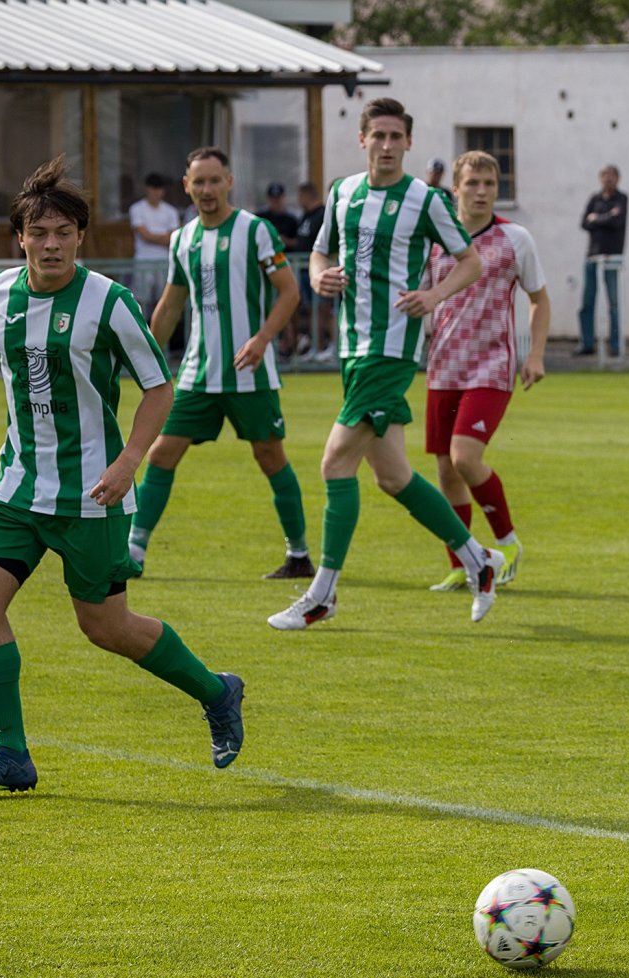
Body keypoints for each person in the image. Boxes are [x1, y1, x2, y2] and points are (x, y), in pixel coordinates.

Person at [0, 157, 245, 797]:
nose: (51, 244)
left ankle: (216, 691)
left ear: (80, 237)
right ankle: (11, 755)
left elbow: (159, 386)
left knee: (105, 628)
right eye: (39, 233)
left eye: (64, 233)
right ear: (20, 237)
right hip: (17, 488)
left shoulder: (110, 302)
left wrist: (129, 462)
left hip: (93, 493)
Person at [268, 97, 500, 631]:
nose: (388, 145)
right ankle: (478, 560)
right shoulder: (343, 192)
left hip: (391, 347)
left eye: (397, 137)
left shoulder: (424, 199)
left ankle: (323, 594)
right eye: (379, 135)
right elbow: (321, 252)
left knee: (334, 464)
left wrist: (433, 294)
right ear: (363, 139)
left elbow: (471, 261)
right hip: (353, 348)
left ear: (409, 143)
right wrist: (319, 275)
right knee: (393, 477)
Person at [127, 146, 309, 581]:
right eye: (199, 182)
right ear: (186, 186)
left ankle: (299, 555)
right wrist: (146, 358)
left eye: (214, 180)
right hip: (198, 373)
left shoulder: (255, 230)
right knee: (162, 454)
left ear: (230, 182)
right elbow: (171, 304)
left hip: (249, 372)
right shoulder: (182, 238)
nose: (207, 190)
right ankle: (133, 553)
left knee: (270, 456)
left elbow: (289, 292)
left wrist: (262, 339)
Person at [424, 150, 549, 592]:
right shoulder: (435, 238)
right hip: (442, 367)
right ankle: (463, 563)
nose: (481, 192)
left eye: (489, 184)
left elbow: (539, 299)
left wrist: (535, 355)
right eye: (472, 184)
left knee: (464, 457)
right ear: (455, 188)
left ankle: (507, 544)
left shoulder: (515, 238)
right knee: (446, 470)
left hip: (491, 367)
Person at [577, 164, 626, 357]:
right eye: (605, 175)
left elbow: (617, 222)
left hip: (612, 257)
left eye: (612, 175)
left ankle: (615, 345)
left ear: (617, 178)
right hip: (592, 256)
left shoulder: (622, 199)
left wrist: (596, 219)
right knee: (587, 302)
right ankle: (587, 344)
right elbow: (584, 223)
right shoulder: (594, 199)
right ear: (600, 178)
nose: (608, 179)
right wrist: (606, 217)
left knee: (613, 304)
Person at [292, 181, 335, 361]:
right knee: (311, 309)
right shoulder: (305, 216)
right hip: (305, 270)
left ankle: (331, 346)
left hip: (320, 270)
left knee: (324, 309)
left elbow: (324, 247)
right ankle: (316, 347)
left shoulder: (322, 215)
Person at [128, 173, 181, 313]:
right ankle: (141, 325)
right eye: (154, 188)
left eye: (159, 188)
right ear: (147, 189)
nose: (156, 192)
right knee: (140, 300)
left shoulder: (171, 211)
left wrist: (153, 236)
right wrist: (164, 237)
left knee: (164, 299)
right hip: (143, 261)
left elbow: (173, 238)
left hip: (165, 261)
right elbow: (144, 235)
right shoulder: (137, 209)